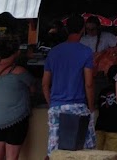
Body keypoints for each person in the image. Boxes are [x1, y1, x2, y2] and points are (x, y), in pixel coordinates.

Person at [42, 13, 96, 154]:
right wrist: (91, 109)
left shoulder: (53, 52)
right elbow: (89, 84)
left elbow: (45, 84)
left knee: (56, 152)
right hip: (78, 107)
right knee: (81, 151)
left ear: (66, 29)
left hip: (56, 106)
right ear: (82, 29)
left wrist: (52, 103)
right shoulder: (86, 52)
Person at [0, 34, 34, 160]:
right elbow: (33, 89)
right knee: (12, 156)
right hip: (15, 118)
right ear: (16, 53)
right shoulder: (19, 71)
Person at [94, 65, 117, 154]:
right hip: (114, 127)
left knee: (96, 153)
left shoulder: (102, 91)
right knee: (113, 155)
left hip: (100, 126)